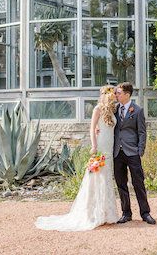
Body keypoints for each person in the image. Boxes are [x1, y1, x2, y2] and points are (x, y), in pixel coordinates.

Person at [35, 85, 120, 231]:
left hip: (109, 148)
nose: (115, 97)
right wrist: (94, 146)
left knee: (106, 179)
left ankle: (107, 213)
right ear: (107, 95)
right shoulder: (97, 109)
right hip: (100, 147)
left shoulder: (113, 109)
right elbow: (92, 128)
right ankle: (93, 214)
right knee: (96, 179)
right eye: (113, 94)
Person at [113, 82, 156, 225]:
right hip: (117, 153)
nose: (116, 95)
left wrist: (140, 151)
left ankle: (145, 213)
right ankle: (126, 213)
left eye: (119, 93)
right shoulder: (114, 109)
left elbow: (142, 132)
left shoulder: (137, 110)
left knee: (138, 183)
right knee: (121, 184)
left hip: (132, 153)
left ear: (127, 94)